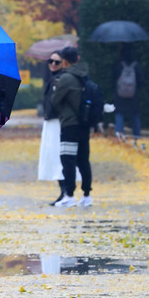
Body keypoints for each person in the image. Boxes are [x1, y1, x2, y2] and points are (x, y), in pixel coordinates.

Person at [50, 45, 93, 207]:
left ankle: (69, 195)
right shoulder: (85, 76)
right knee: (83, 160)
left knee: (68, 160)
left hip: (69, 124)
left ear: (65, 61)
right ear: (78, 59)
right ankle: (87, 195)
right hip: (84, 123)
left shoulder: (66, 78)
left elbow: (55, 101)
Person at [38, 53, 66, 204]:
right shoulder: (53, 78)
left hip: (57, 123)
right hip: (52, 122)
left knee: (58, 157)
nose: (53, 64)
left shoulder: (60, 79)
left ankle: (65, 192)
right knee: (54, 157)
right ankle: (64, 192)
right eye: (50, 61)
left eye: (57, 61)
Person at [113, 44, 143, 137]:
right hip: (133, 95)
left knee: (119, 113)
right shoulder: (136, 66)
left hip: (120, 94)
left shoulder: (119, 66)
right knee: (135, 114)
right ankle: (137, 135)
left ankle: (119, 133)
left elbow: (113, 79)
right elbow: (141, 80)